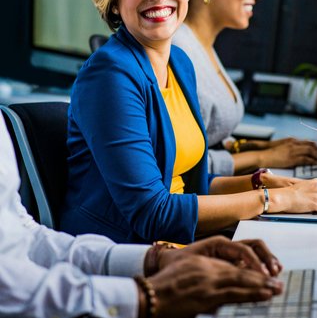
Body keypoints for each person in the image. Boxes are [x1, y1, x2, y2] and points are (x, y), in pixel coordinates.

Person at [60, 0, 317, 246]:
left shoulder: (180, 63)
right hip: (123, 252)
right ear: (114, 3)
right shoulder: (109, 75)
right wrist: (273, 200)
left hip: (178, 241)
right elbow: (152, 212)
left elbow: (191, 185)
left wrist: (266, 183)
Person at [0, 110, 285, 318]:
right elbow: (8, 288)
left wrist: (157, 261)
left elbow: (24, 236)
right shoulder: (110, 73)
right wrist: (146, 296)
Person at [167, 0, 317, 176]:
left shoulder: (202, 46)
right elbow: (183, 167)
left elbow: (206, 140)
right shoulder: (180, 53)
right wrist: (265, 158)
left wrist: (253, 148)